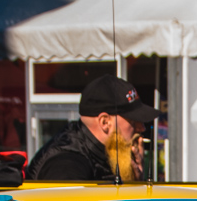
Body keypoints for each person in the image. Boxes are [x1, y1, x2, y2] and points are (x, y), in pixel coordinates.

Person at [27, 76, 156, 183]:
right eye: (133, 121)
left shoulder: (106, 154)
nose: (142, 128)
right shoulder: (67, 165)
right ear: (105, 122)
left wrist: (135, 183)